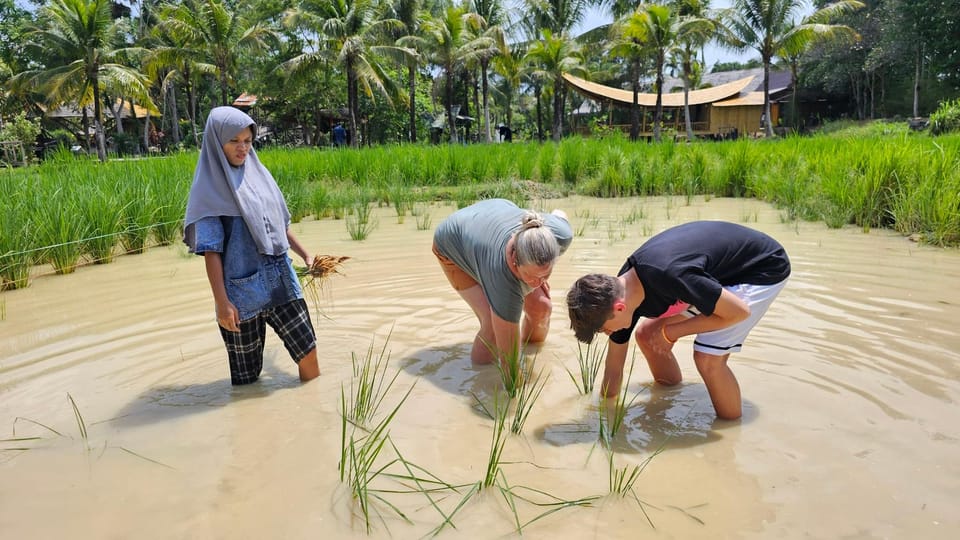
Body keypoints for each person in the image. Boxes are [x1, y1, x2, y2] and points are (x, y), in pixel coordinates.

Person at [566, 221, 790, 420]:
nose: (607, 333)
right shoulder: (618, 291)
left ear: (619, 308)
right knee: (646, 335)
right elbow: (613, 368)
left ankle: (730, 431)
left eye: (603, 329)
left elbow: (739, 312)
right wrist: (604, 414)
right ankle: (671, 392)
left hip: (761, 268)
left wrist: (672, 333)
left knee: (707, 359)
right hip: (712, 276)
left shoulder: (670, 275)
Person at [183, 106, 320, 385]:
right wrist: (222, 304)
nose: (242, 148)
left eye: (247, 141)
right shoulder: (209, 191)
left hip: (281, 281)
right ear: (216, 141)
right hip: (240, 296)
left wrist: (305, 255)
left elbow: (278, 229)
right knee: (247, 380)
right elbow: (212, 253)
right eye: (234, 141)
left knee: (309, 354)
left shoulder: (259, 177)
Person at [433, 199, 573, 366]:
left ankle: (533, 355)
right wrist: (513, 386)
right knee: (492, 329)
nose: (537, 283)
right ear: (515, 259)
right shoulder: (501, 274)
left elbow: (560, 214)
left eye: (545, 274)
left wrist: (535, 276)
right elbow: (510, 365)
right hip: (453, 242)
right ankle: (481, 377)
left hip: (497, 210)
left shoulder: (560, 235)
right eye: (531, 276)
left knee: (541, 307)